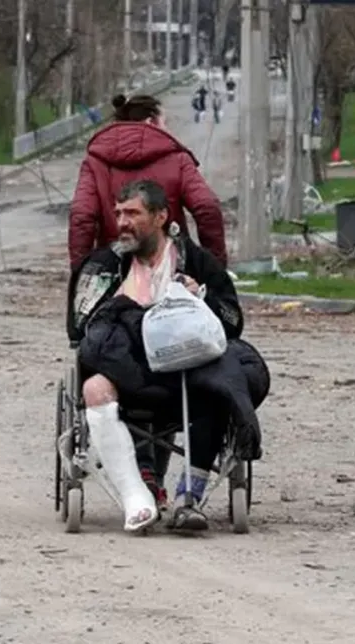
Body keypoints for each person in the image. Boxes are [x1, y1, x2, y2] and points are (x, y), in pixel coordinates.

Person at [67, 180, 269, 533]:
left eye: (133, 213)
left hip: (189, 373)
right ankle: (138, 496)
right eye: (118, 214)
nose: (122, 222)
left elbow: (233, 323)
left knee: (220, 382)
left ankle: (188, 497)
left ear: (161, 216)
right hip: (130, 372)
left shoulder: (197, 262)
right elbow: (80, 329)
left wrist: (200, 299)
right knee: (94, 388)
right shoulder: (104, 267)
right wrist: (122, 308)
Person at [69, 93, 227, 270]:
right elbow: (207, 206)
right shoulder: (178, 159)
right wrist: (216, 268)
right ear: (151, 122)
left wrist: (80, 272)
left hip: (114, 267)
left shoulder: (95, 161)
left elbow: (81, 215)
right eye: (164, 122)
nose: (166, 129)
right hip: (170, 267)